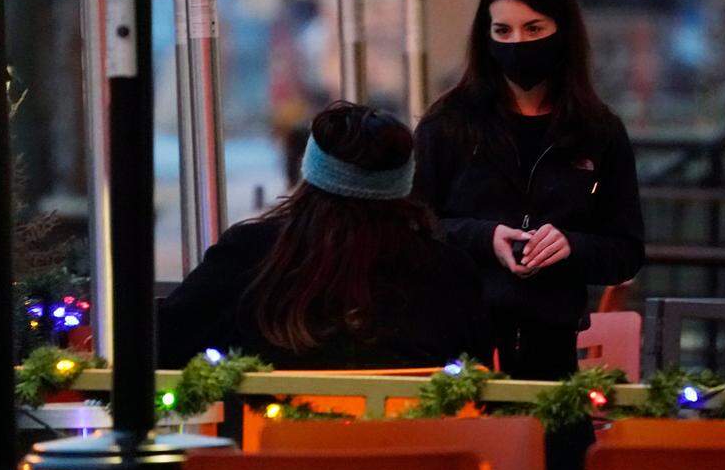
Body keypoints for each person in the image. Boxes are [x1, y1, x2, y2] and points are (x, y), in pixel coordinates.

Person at [413, 0, 645, 382]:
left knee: (559, 447)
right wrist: (486, 238)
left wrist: (570, 246)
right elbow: (412, 228)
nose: (517, 43)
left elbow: (626, 251)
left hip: (554, 352)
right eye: (502, 31)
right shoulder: (448, 123)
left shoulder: (598, 130)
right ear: (486, 38)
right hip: (458, 350)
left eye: (533, 29)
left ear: (563, 31)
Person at [158, 102, 491, 370]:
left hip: (271, 447)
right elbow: (475, 373)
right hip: (420, 447)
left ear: (309, 174)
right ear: (404, 185)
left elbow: (165, 346)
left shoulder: (251, 255)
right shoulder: (448, 270)